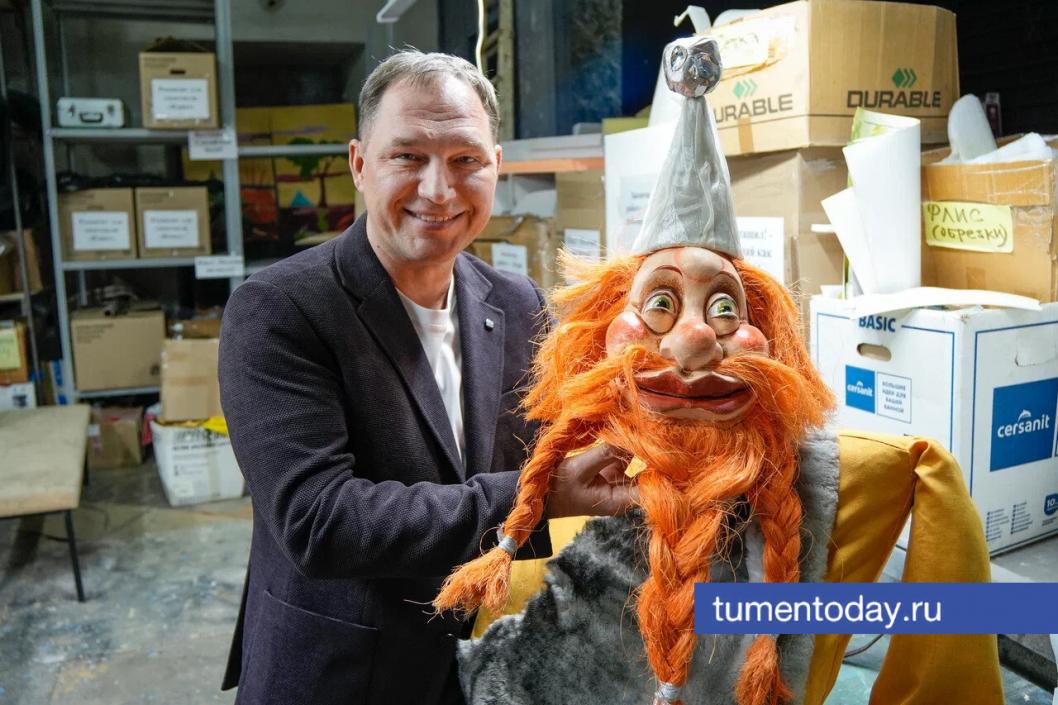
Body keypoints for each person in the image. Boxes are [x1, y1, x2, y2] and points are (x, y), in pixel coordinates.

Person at [436, 37, 1003, 705]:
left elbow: (953, 603)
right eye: (660, 304)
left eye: (727, 308)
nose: (696, 338)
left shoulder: (868, 473)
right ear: (602, 330)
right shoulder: (565, 467)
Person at [218, 50, 636, 705]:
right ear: (360, 164)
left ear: (496, 165)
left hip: (490, 658)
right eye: (408, 157)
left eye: (466, 159)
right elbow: (318, 521)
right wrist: (537, 496)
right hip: (346, 671)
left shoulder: (517, 300)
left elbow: (560, 439)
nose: (439, 190)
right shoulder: (281, 310)